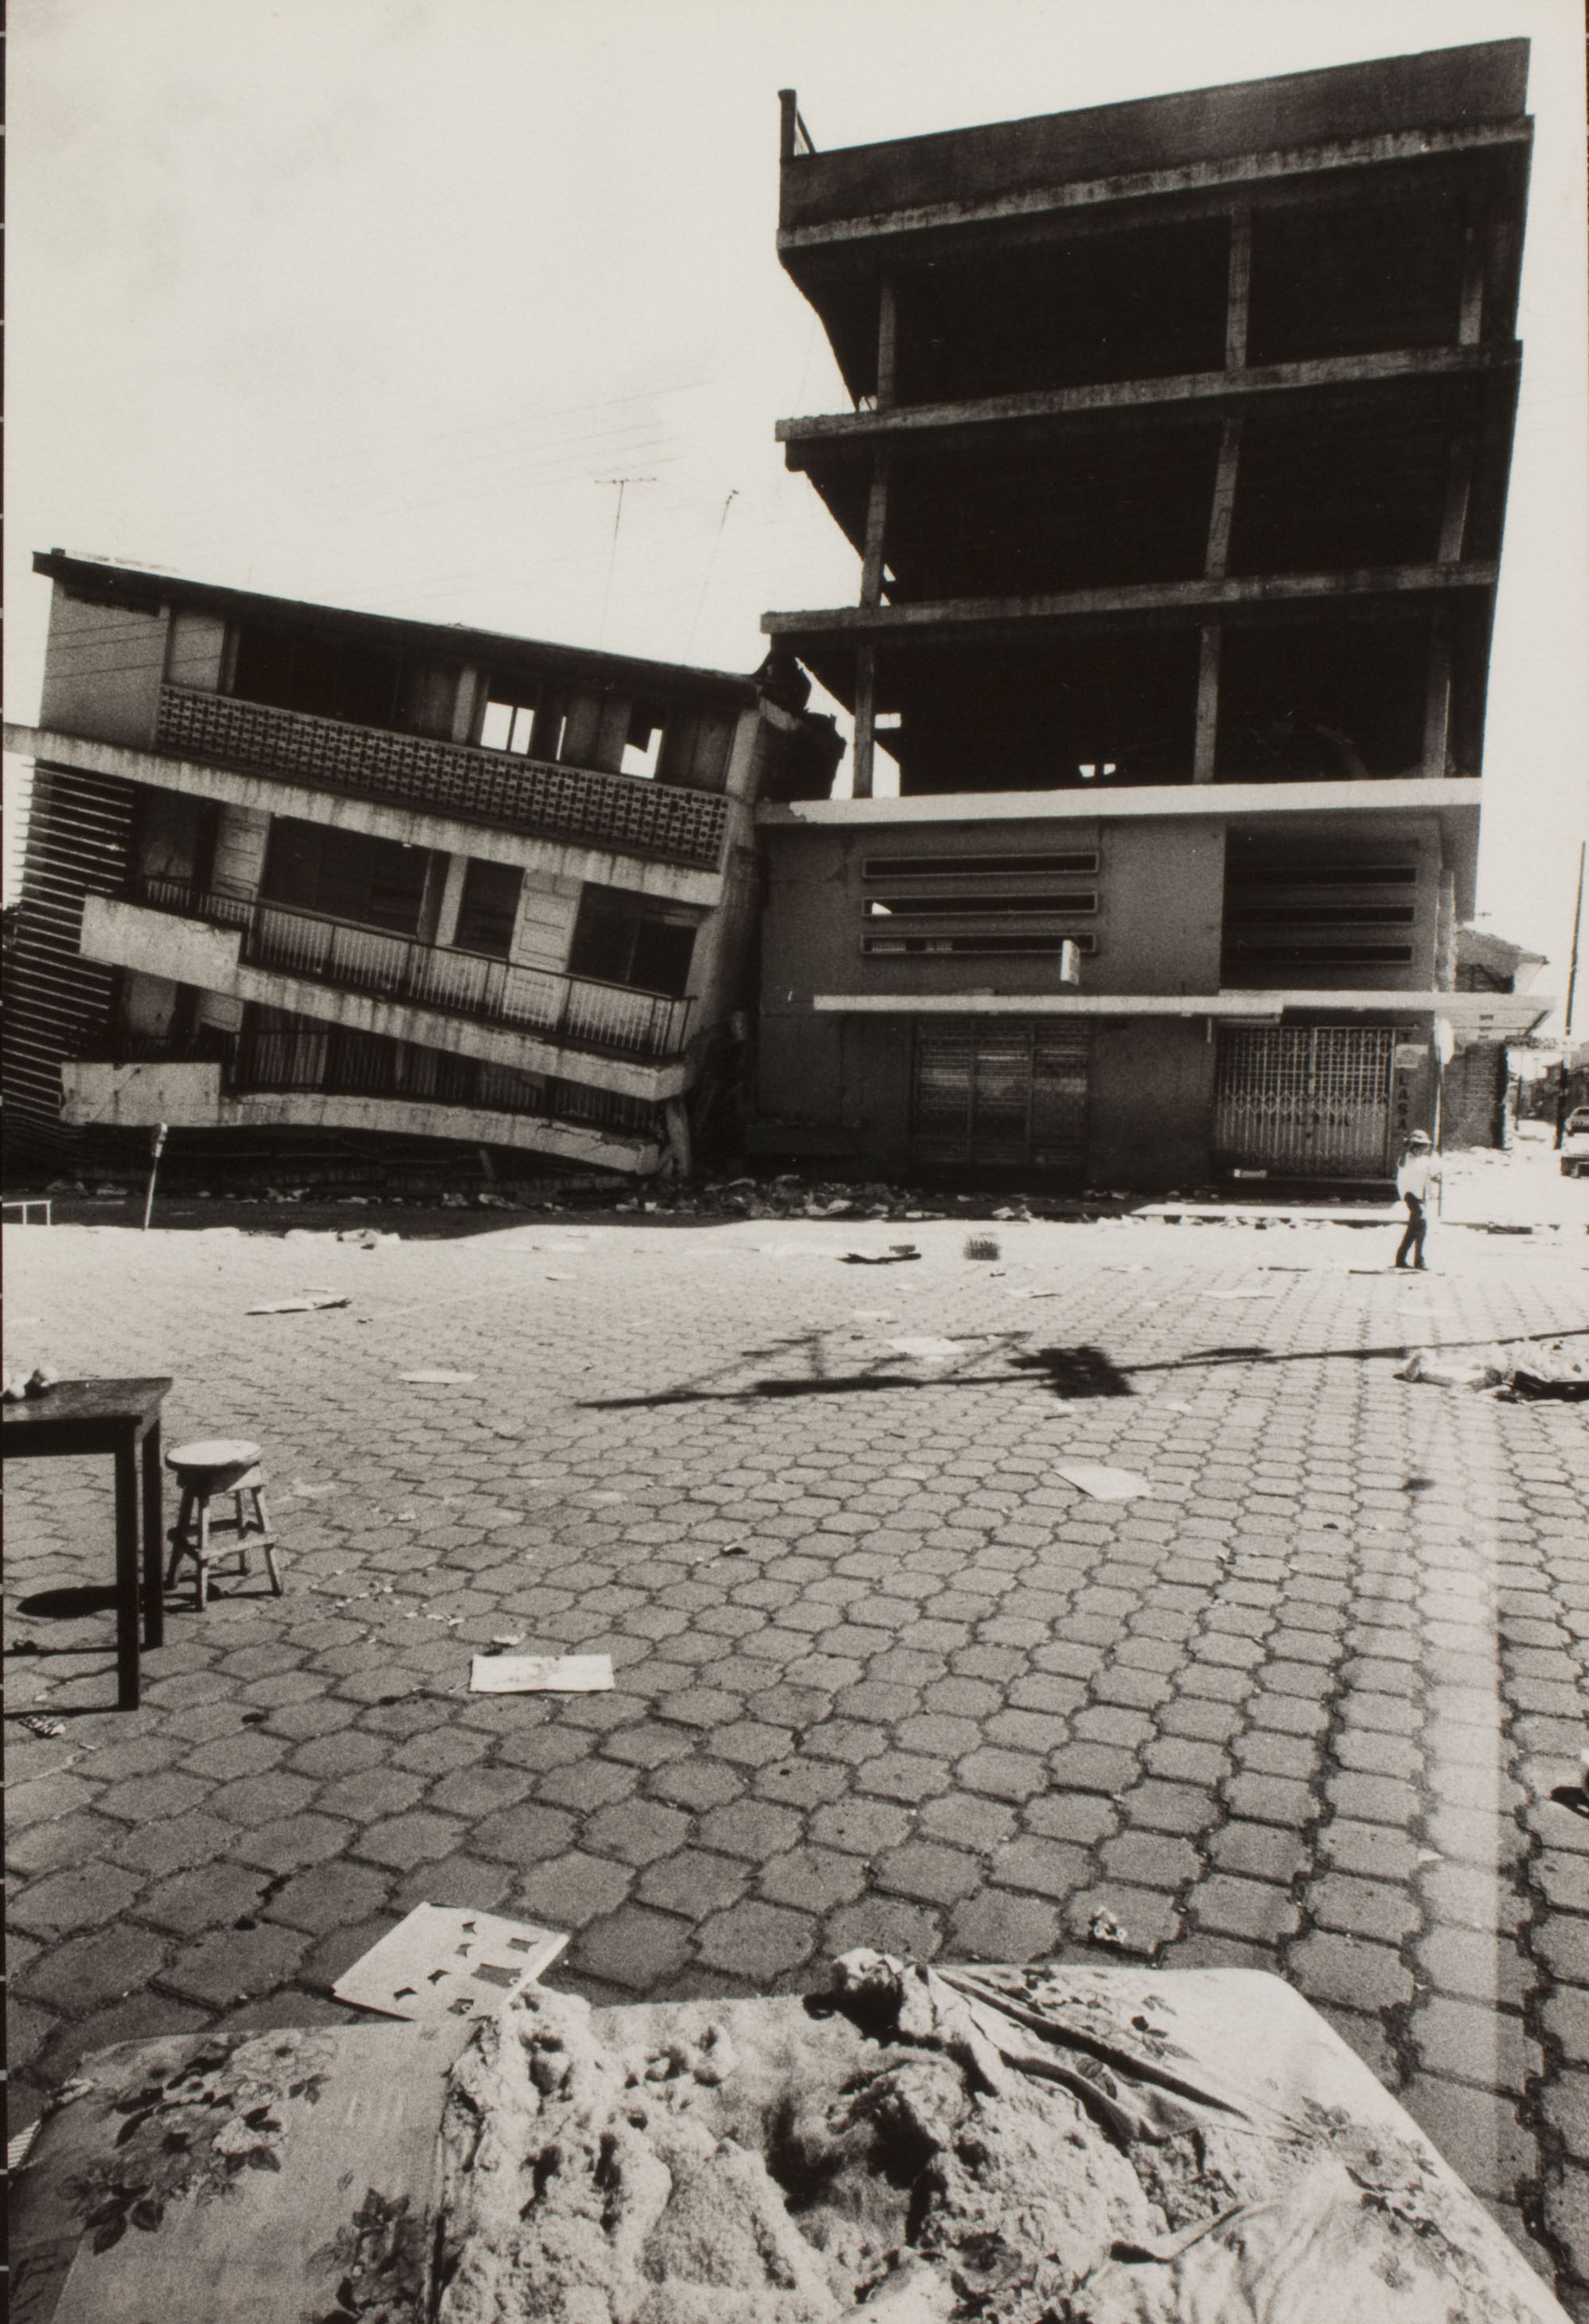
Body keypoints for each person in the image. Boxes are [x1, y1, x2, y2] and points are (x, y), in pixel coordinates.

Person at [1394, 1129, 1439, 1269]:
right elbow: (1402, 1160)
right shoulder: (1405, 1158)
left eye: (1423, 1147)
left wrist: (1433, 1186)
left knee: (1414, 1229)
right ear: (1412, 1147)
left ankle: (1401, 1259)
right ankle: (1419, 1261)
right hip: (1409, 1195)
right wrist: (1407, 1144)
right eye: (1418, 1147)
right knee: (1422, 1224)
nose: (1421, 1150)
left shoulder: (1425, 1161)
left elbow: (1432, 1175)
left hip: (1420, 1197)